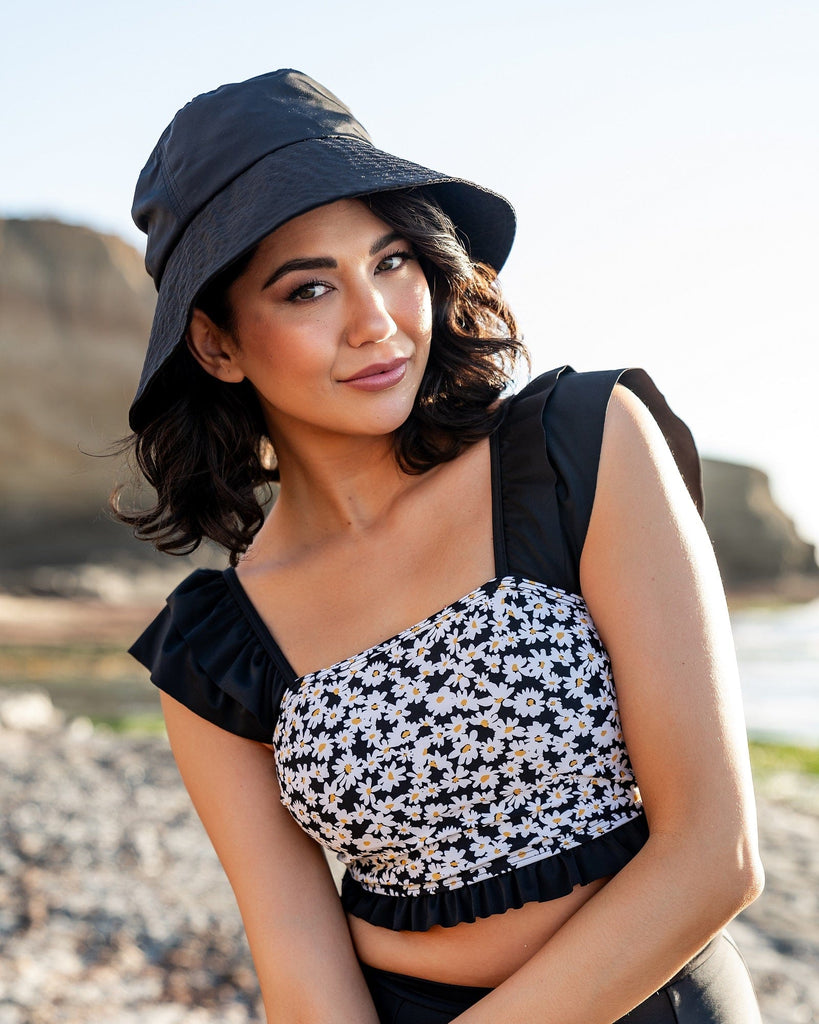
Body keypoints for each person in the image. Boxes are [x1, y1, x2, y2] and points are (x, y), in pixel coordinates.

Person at [118, 70, 764, 1023]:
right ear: (217, 345)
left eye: (390, 263)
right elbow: (299, 968)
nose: (376, 322)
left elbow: (716, 854)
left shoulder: (578, 448)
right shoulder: (216, 647)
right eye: (307, 289)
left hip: (658, 1002)